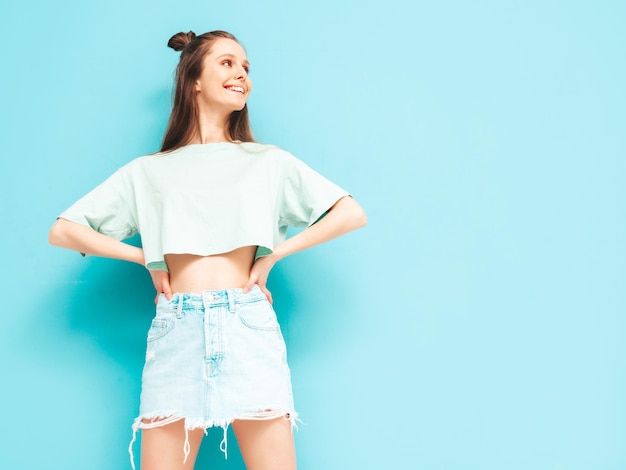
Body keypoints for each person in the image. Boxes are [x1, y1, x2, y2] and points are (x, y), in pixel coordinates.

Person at [48, 30, 367, 470]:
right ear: (193, 79)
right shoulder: (149, 172)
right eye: (228, 63)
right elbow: (64, 230)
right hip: (176, 326)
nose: (241, 74)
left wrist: (274, 253)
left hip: (247, 323)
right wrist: (145, 256)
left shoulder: (267, 161)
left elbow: (350, 213)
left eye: (246, 67)